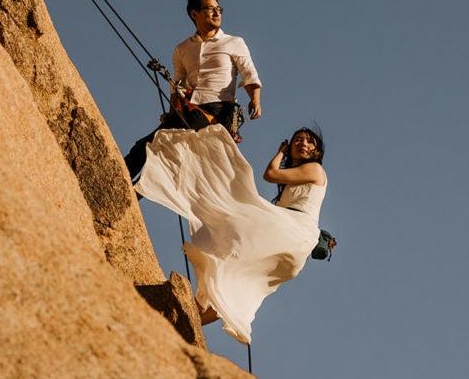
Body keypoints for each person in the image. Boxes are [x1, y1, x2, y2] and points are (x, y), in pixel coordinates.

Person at [134, 123, 327, 343]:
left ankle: (190, 314)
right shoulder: (301, 177)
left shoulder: (315, 169)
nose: (303, 143)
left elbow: (271, 174)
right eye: (298, 140)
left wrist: (281, 152)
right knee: (235, 278)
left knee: (233, 208)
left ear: (317, 152)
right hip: (296, 239)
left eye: (309, 141)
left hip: (294, 229)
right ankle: (190, 321)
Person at [124, 0, 262, 181]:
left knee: (171, 146)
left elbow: (248, 72)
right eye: (210, 9)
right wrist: (172, 113)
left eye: (219, 9)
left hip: (216, 109)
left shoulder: (234, 42)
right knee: (146, 145)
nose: (217, 13)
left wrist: (255, 99)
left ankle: (137, 188)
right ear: (194, 14)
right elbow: (177, 83)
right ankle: (120, 179)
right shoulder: (182, 49)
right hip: (188, 109)